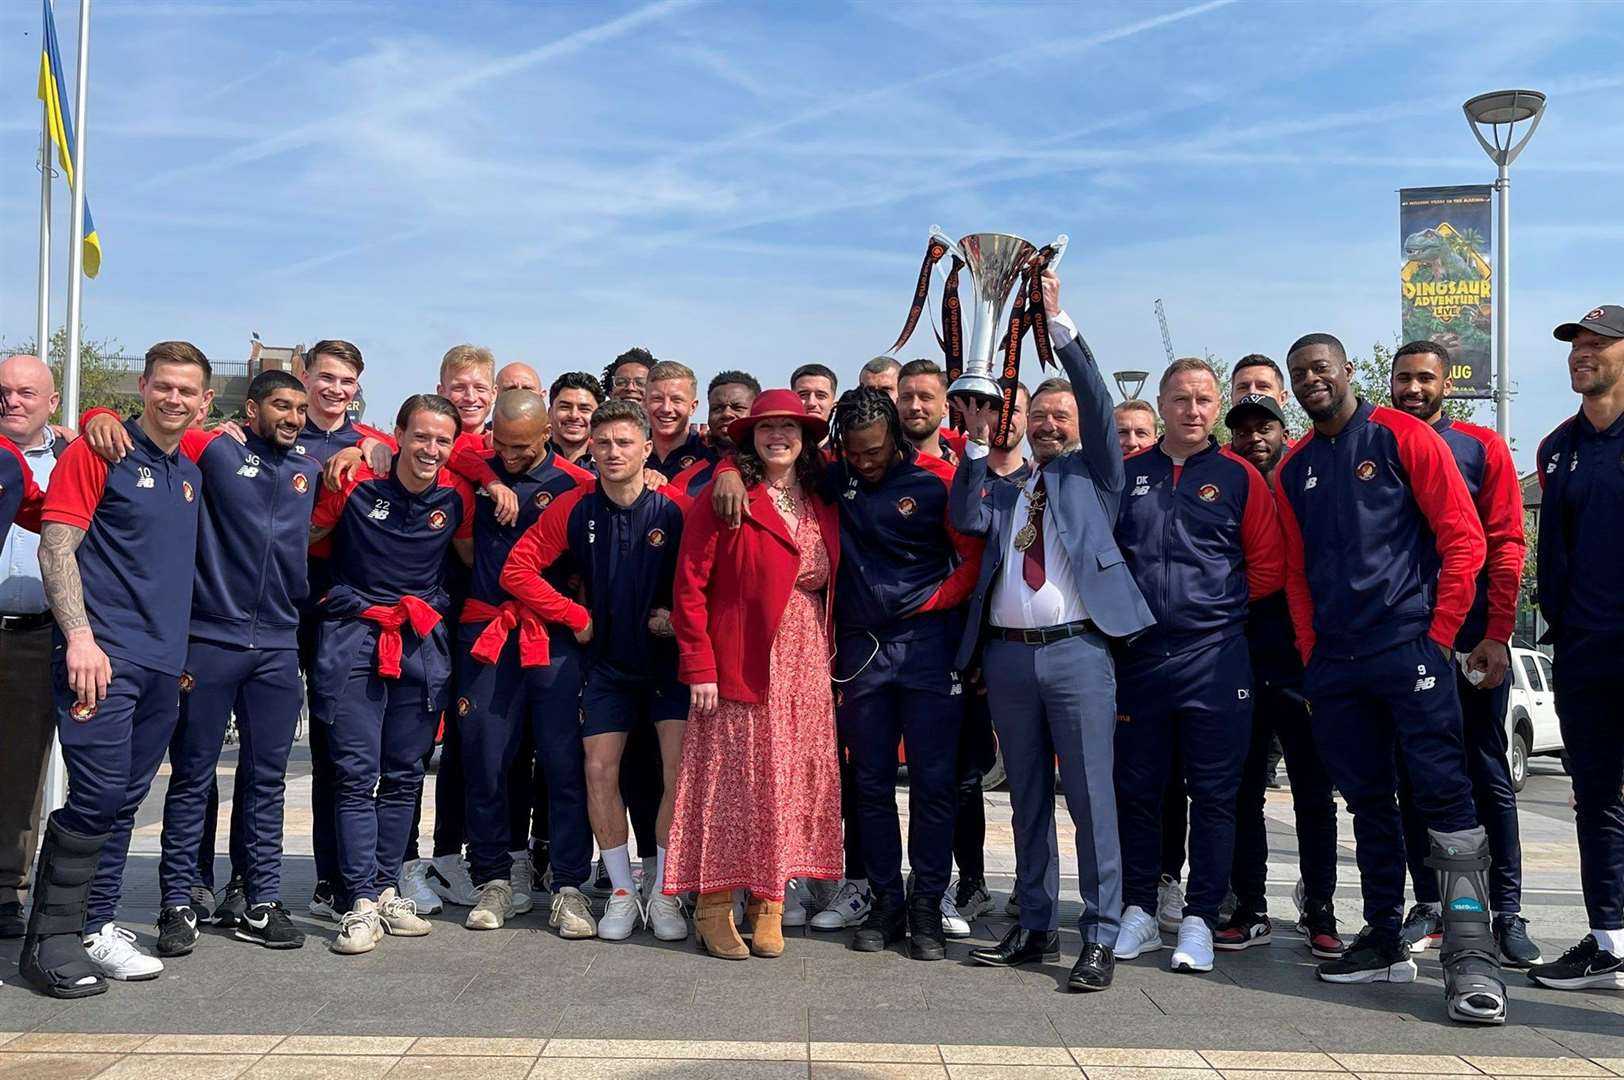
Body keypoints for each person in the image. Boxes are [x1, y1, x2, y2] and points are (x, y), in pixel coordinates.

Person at [1275, 333, 1501, 1024]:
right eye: (1300, 373)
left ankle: (1471, 958)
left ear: (1345, 371)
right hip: (1337, 664)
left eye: (1322, 368)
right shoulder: (1294, 467)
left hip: (1410, 648)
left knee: (1445, 798)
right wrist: (1313, 653)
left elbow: (1465, 537)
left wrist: (1438, 637)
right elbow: (1293, 569)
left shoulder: (1403, 437)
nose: (1313, 380)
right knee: (1367, 800)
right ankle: (1379, 935)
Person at [713, 387, 983, 959]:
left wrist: (934, 600)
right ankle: (885, 900)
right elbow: (770, 458)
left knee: (935, 784)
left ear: (896, 437)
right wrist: (727, 471)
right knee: (871, 784)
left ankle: (928, 904)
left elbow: (975, 560)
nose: (864, 462)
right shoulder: (833, 475)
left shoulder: (938, 479)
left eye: (875, 452)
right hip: (862, 652)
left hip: (929, 647)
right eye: (854, 452)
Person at [950, 270, 1153, 992]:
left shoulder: (1095, 477)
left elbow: (1098, 404)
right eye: (1039, 418)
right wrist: (975, 444)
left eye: (1060, 417)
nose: (1051, 426)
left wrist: (1061, 328)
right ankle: (1035, 923)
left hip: (1076, 652)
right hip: (1007, 659)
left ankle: (1098, 932)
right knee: (1027, 796)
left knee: (1091, 798)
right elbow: (966, 519)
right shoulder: (1006, 491)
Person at [21, 342, 210, 997]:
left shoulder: (189, 467)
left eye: (187, 390)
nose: (174, 399)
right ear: (144, 386)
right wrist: (78, 637)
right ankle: (49, 943)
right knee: (97, 795)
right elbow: (55, 549)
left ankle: (96, 927)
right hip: (102, 659)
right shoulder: (98, 452)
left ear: (204, 401)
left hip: (162, 664)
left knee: (126, 799)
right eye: (164, 386)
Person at [1108, 357, 1282, 974]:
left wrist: (1214, 611)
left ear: (1217, 408)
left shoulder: (1239, 478)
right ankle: (1137, 908)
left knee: (1215, 795)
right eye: (1180, 399)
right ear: (1161, 404)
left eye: (1204, 400)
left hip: (1215, 659)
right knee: (1138, 790)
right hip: (1141, 660)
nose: (1193, 410)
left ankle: (1201, 918)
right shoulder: (1128, 475)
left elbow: (1266, 568)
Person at [501, 400, 691, 943]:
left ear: (647, 448)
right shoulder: (574, 507)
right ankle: (622, 891)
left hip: (667, 666)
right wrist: (572, 614)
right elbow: (518, 568)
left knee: (676, 774)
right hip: (606, 666)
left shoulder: (673, 507)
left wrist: (678, 618)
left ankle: (665, 892)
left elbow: (704, 578)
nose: (612, 452)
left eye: (625, 443)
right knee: (598, 769)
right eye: (603, 443)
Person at [666, 389, 842, 958]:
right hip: (741, 653)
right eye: (766, 428)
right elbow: (689, 587)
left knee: (786, 780)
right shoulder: (727, 496)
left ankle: (770, 902)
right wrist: (699, 663)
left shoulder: (821, 496)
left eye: (790, 428)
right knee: (729, 781)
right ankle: (714, 905)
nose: (778, 437)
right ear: (750, 438)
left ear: (807, 438)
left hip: (805, 657)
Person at [1387, 341, 1538, 968]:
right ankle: (1430, 903)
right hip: (1399, 641)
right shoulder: (1377, 443)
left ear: (1447, 384)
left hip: (1471, 642)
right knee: (1410, 777)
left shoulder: (1482, 447)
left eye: (1425, 378)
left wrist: (1498, 631)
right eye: (1402, 379)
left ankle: (1506, 911)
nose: (1413, 389)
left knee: (1485, 772)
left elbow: (1505, 542)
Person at [307, 393, 474, 954]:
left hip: (421, 644)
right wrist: (357, 448)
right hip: (355, 637)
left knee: (405, 774)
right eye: (420, 436)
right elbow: (301, 537)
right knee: (355, 774)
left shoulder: (458, 496)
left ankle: (384, 889)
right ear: (397, 434)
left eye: (442, 440)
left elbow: (475, 546)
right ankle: (356, 900)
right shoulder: (353, 481)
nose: (430, 449)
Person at [453, 391, 596, 933]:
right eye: (501, 444)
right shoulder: (479, 466)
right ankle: (493, 876)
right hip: (487, 631)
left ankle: (568, 884)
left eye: (521, 449)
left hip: (551, 636)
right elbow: (438, 448)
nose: (509, 457)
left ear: (547, 438)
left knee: (562, 763)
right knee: (487, 758)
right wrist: (490, 480)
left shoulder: (573, 484)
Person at [1222, 391, 1344, 960]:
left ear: (1282, 428)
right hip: (1239, 660)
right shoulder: (1225, 483)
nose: (1254, 438)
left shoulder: (1306, 477)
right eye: (1243, 430)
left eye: (1264, 426)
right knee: (1240, 791)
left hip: (1303, 665)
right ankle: (1250, 907)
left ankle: (1321, 908)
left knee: (1313, 795)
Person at [1529, 305, 1624, 992]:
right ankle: (1609, 940)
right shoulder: (1556, 448)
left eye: (1596, 345)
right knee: (1595, 798)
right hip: (1585, 653)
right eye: (1575, 346)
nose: (1580, 355)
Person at [287, 339, 388, 923]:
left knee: (336, 755)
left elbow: (446, 456)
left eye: (345, 381)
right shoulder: (272, 432)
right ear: (303, 376)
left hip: (340, 612)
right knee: (267, 758)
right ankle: (249, 882)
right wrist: (96, 415)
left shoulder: (374, 446)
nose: (334, 389)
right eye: (325, 377)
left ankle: (334, 880)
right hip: (274, 608)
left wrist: (376, 446)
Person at [946, 383, 1028, 936]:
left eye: (1014, 409)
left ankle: (1032, 881)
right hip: (973, 648)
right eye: (993, 409)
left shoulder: (1047, 480)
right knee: (966, 775)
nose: (1003, 419)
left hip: (1031, 647)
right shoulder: (969, 474)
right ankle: (971, 880)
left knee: (1029, 775)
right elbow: (964, 525)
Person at [0, 355, 58, 941]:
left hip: (34, 633)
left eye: (25, 392)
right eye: (4, 392)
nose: (12, 401)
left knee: (20, 772)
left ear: (51, 401)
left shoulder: (71, 461)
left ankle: (5, 892)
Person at [669, 371, 759, 498]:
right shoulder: (685, 480)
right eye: (717, 408)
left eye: (737, 407)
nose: (727, 414)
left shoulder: (776, 470)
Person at [646, 361, 714, 478]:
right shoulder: (629, 454)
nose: (666, 408)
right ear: (645, 403)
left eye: (676, 400)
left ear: (693, 407)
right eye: (657, 399)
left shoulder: (710, 455)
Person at [897, 359, 966, 463]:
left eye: (925, 398)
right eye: (906, 398)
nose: (914, 406)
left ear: (945, 408)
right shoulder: (877, 470)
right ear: (897, 403)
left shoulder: (959, 474)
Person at [548, 372, 602, 469]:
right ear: (550, 413)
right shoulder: (528, 463)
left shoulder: (608, 469)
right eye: (565, 407)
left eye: (584, 409)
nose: (574, 415)